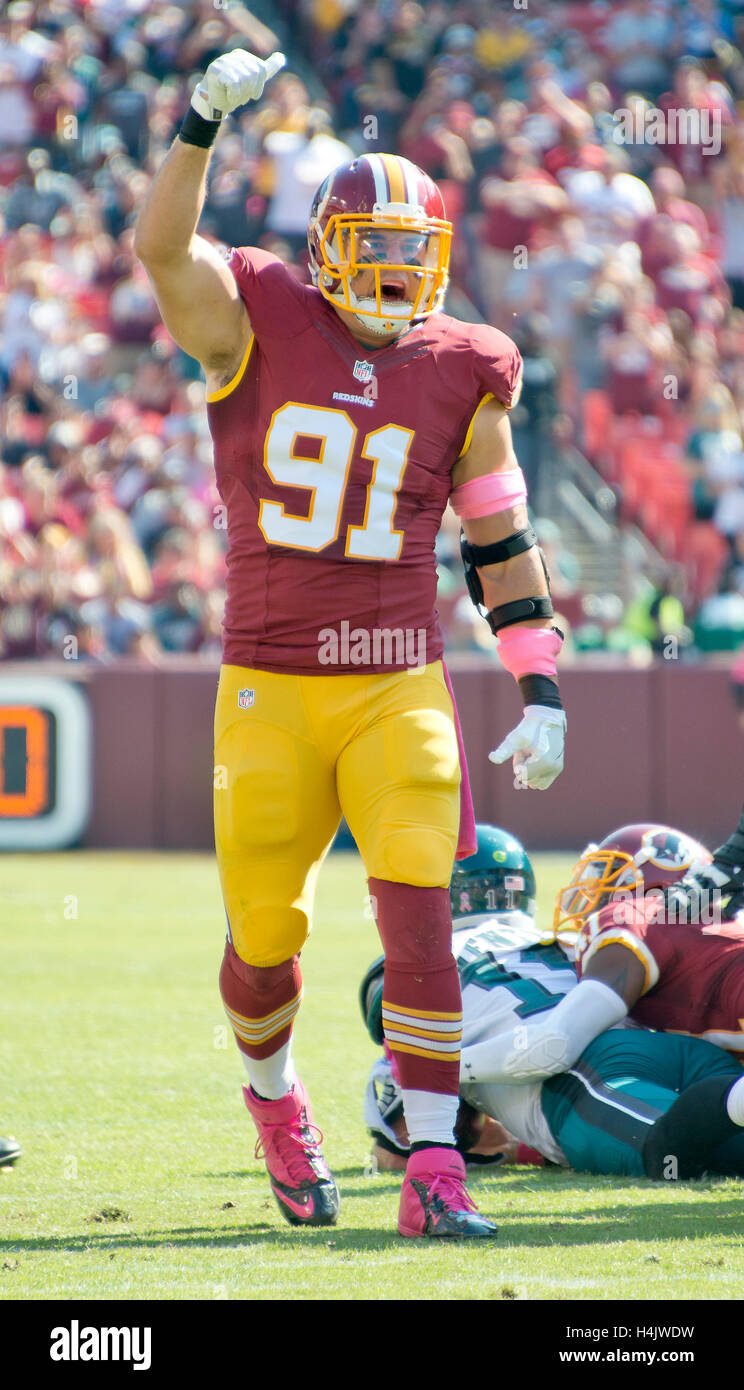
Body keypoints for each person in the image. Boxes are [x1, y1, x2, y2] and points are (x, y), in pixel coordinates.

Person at [134, 49, 567, 1239]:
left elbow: (500, 537)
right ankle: (274, 1098)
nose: (387, 271)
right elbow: (164, 251)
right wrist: (198, 124)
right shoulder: (259, 316)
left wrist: (541, 685)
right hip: (269, 689)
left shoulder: (464, 367)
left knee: (421, 913)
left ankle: (434, 1170)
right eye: (368, 249)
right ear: (328, 251)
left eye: (408, 253)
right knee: (266, 941)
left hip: (396, 684)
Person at [361, 826, 744, 1180]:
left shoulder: (418, 965)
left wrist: (436, 1072)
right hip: (670, 1051)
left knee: (672, 1156)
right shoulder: (560, 942)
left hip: (576, 1074)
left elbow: (398, 1145)